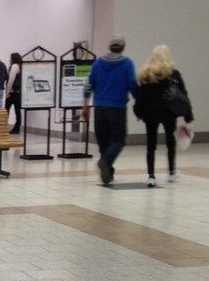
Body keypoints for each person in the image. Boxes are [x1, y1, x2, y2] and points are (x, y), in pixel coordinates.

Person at [134, 45, 194, 187]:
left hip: (150, 114)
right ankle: (171, 172)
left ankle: (151, 176)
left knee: (151, 145)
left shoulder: (146, 75)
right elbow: (183, 95)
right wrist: (188, 115)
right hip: (168, 113)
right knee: (170, 142)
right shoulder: (173, 74)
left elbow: (140, 97)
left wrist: (138, 112)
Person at [81, 34, 137, 185]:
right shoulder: (127, 64)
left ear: (109, 47)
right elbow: (132, 84)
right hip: (117, 107)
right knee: (118, 139)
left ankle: (108, 171)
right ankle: (105, 162)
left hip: (99, 107)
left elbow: (88, 84)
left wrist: (85, 105)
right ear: (123, 47)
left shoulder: (98, 63)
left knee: (103, 140)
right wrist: (139, 102)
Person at [5, 52, 23, 134]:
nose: (9, 60)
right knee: (17, 111)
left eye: (10, 58)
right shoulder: (21, 66)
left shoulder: (14, 66)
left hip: (12, 93)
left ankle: (4, 127)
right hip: (19, 93)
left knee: (6, 110)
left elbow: (11, 79)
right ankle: (17, 127)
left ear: (13, 59)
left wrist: (8, 91)